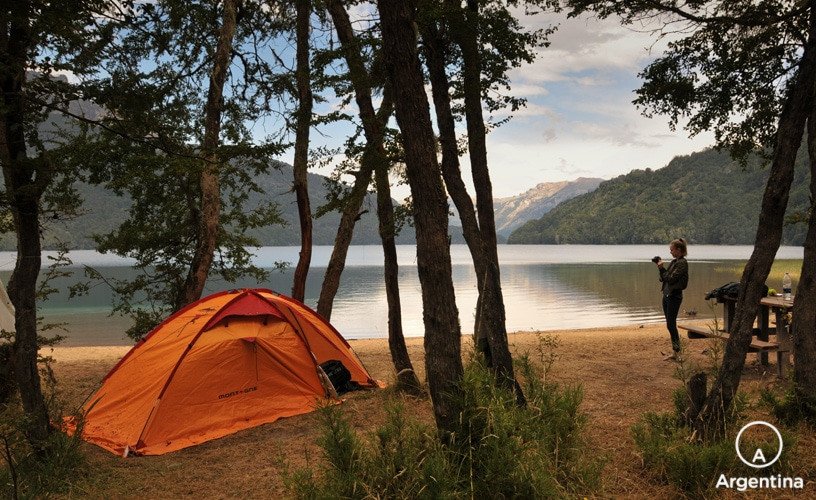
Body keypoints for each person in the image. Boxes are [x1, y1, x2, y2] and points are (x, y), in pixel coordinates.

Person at [655, 238, 689, 361]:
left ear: (679, 250)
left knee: (671, 324)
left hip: (674, 296)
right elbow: (664, 278)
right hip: (667, 296)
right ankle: (676, 352)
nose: (670, 252)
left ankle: (678, 353)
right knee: (670, 325)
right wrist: (661, 269)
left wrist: (661, 269)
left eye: (672, 249)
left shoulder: (682, 263)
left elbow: (670, 279)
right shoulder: (675, 262)